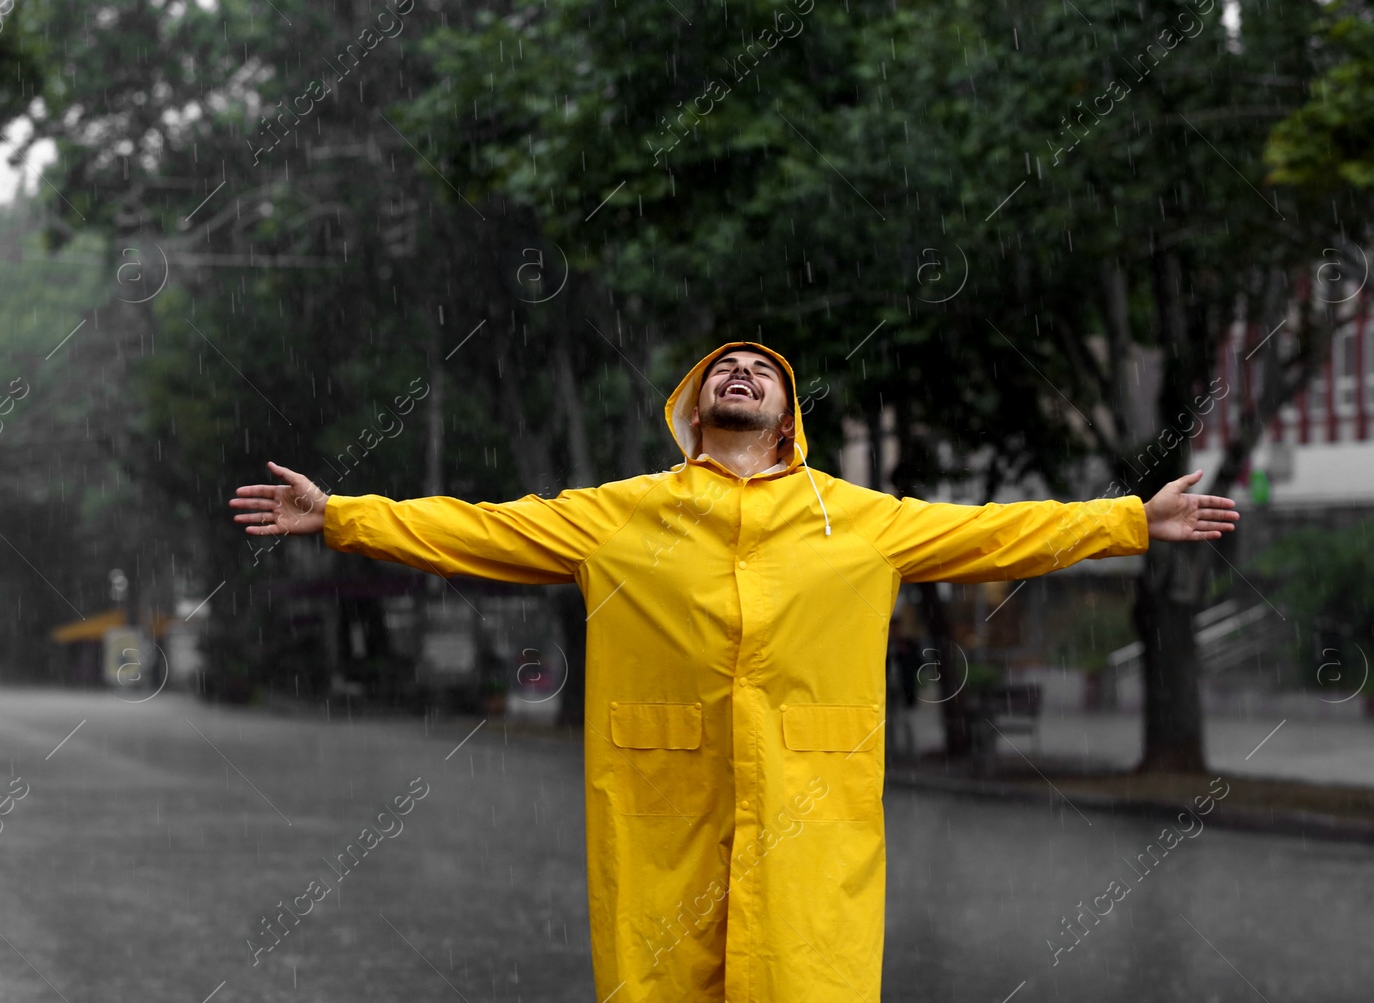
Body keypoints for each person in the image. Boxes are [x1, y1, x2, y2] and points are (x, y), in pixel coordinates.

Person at [230, 340, 1238, 1003]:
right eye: (726, 366)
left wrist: (1131, 520)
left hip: (812, 806)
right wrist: (342, 515)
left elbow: (995, 531)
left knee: (805, 980)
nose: (745, 369)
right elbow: (479, 528)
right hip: (662, 803)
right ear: (694, 404)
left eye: (763, 367)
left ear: (788, 411)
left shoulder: (858, 516)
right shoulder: (619, 513)